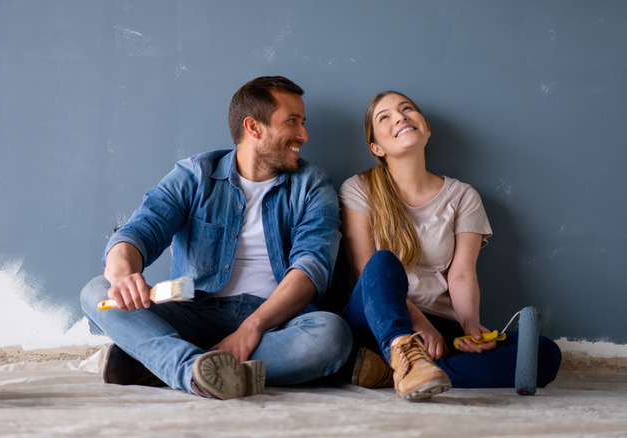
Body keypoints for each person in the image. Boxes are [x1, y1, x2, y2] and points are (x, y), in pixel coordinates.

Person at [80, 76, 352, 400]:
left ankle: (161, 363)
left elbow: (313, 268)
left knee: (332, 337)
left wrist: (252, 327)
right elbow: (140, 230)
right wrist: (123, 274)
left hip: (276, 322)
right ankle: (193, 371)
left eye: (302, 123)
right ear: (254, 127)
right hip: (193, 310)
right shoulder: (195, 174)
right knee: (97, 292)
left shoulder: (313, 186)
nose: (304, 135)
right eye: (292, 122)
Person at [338, 91, 561, 401]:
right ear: (376, 147)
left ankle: (395, 372)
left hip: (441, 329)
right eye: (385, 117)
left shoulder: (462, 196)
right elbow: (364, 268)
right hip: (378, 322)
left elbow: (462, 273)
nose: (400, 117)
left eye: (407, 110)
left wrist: (470, 327)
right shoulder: (359, 188)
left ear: (426, 128)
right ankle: (404, 356)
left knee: (544, 354)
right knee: (383, 262)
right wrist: (416, 322)